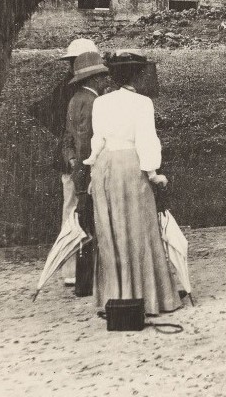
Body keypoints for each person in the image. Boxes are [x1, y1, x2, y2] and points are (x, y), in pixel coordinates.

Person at [83, 56, 183, 315]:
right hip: (130, 166)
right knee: (139, 228)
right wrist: (153, 174)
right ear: (138, 75)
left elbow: (98, 140)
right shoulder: (142, 103)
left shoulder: (101, 102)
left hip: (105, 167)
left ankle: (117, 296)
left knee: (113, 230)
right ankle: (147, 297)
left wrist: (94, 168)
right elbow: (146, 140)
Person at [28, 38, 99, 286]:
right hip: (73, 158)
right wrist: (64, 136)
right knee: (73, 211)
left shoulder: (73, 88)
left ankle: (81, 268)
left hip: (74, 155)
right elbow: (40, 110)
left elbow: (40, 110)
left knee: (78, 211)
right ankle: (71, 269)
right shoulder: (72, 90)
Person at [62, 50, 110, 297]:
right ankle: (93, 280)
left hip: (77, 168)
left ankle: (82, 282)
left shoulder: (73, 100)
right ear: (93, 80)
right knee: (95, 224)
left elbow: (68, 137)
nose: (105, 81)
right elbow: (92, 140)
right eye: (101, 77)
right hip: (92, 167)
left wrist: (72, 160)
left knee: (84, 223)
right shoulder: (96, 102)